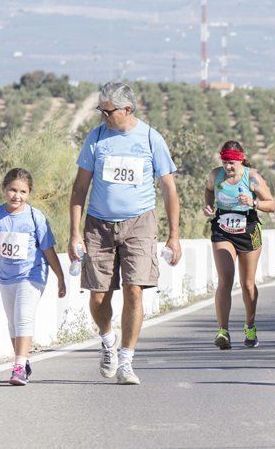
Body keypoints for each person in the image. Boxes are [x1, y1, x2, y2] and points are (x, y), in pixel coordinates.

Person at [68, 81, 181, 385]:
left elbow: (169, 188)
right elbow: (80, 188)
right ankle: (107, 340)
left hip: (140, 223)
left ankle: (126, 361)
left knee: (134, 289)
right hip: (99, 224)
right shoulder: (97, 137)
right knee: (98, 294)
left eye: (108, 112)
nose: (103, 117)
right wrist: (74, 234)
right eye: (101, 111)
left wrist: (174, 235)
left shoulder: (149, 138)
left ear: (127, 109)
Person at [0, 168, 66, 386]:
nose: (17, 196)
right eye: (12, 190)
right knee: (12, 323)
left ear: (29, 193)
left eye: (23, 192)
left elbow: (48, 250)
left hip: (32, 273)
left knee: (23, 317)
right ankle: (23, 362)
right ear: (4, 189)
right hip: (7, 276)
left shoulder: (35, 217)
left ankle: (18, 367)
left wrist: (60, 277)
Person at [203, 141, 275, 349]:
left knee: (247, 284)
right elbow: (208, 190)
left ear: (241, 159)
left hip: (248, 229)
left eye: (232, 163)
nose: (228, 167)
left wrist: (253, 203)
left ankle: (250, 325)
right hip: (223, 229)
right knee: (225, 279)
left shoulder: (252, 177)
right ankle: (223, 331)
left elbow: (272, 204)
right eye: (225, 162)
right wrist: (208, 206)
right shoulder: (215, 175)